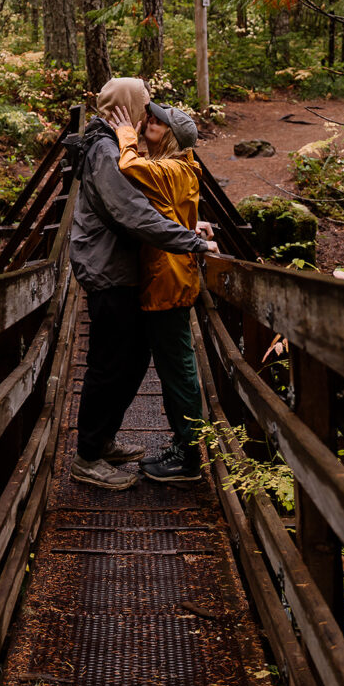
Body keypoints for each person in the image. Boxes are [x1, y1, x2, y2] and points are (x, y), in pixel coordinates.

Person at [69, 77, 218, 491]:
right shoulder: (104, 149)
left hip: (123, 270)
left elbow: (155, 203)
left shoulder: (115, 144)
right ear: (127, 107)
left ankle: (102, 439)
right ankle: (86, 456)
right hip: (109, 272)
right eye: (144, 104)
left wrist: (188, 225)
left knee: (132, 360)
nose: (148, 111)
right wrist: (189, 240)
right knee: (107, 365)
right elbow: (132, 213)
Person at [109, 100, 209, 482]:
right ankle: (184, 446)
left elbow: (130, 166)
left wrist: (125, 133)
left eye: (156, 120)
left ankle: (188, 456)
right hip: (168, 275)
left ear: (169, 135)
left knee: (178, 370)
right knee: (174, 367)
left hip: (169, 279)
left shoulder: (169, 168)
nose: (148, 119)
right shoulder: (180, 168)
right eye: (149, 116)